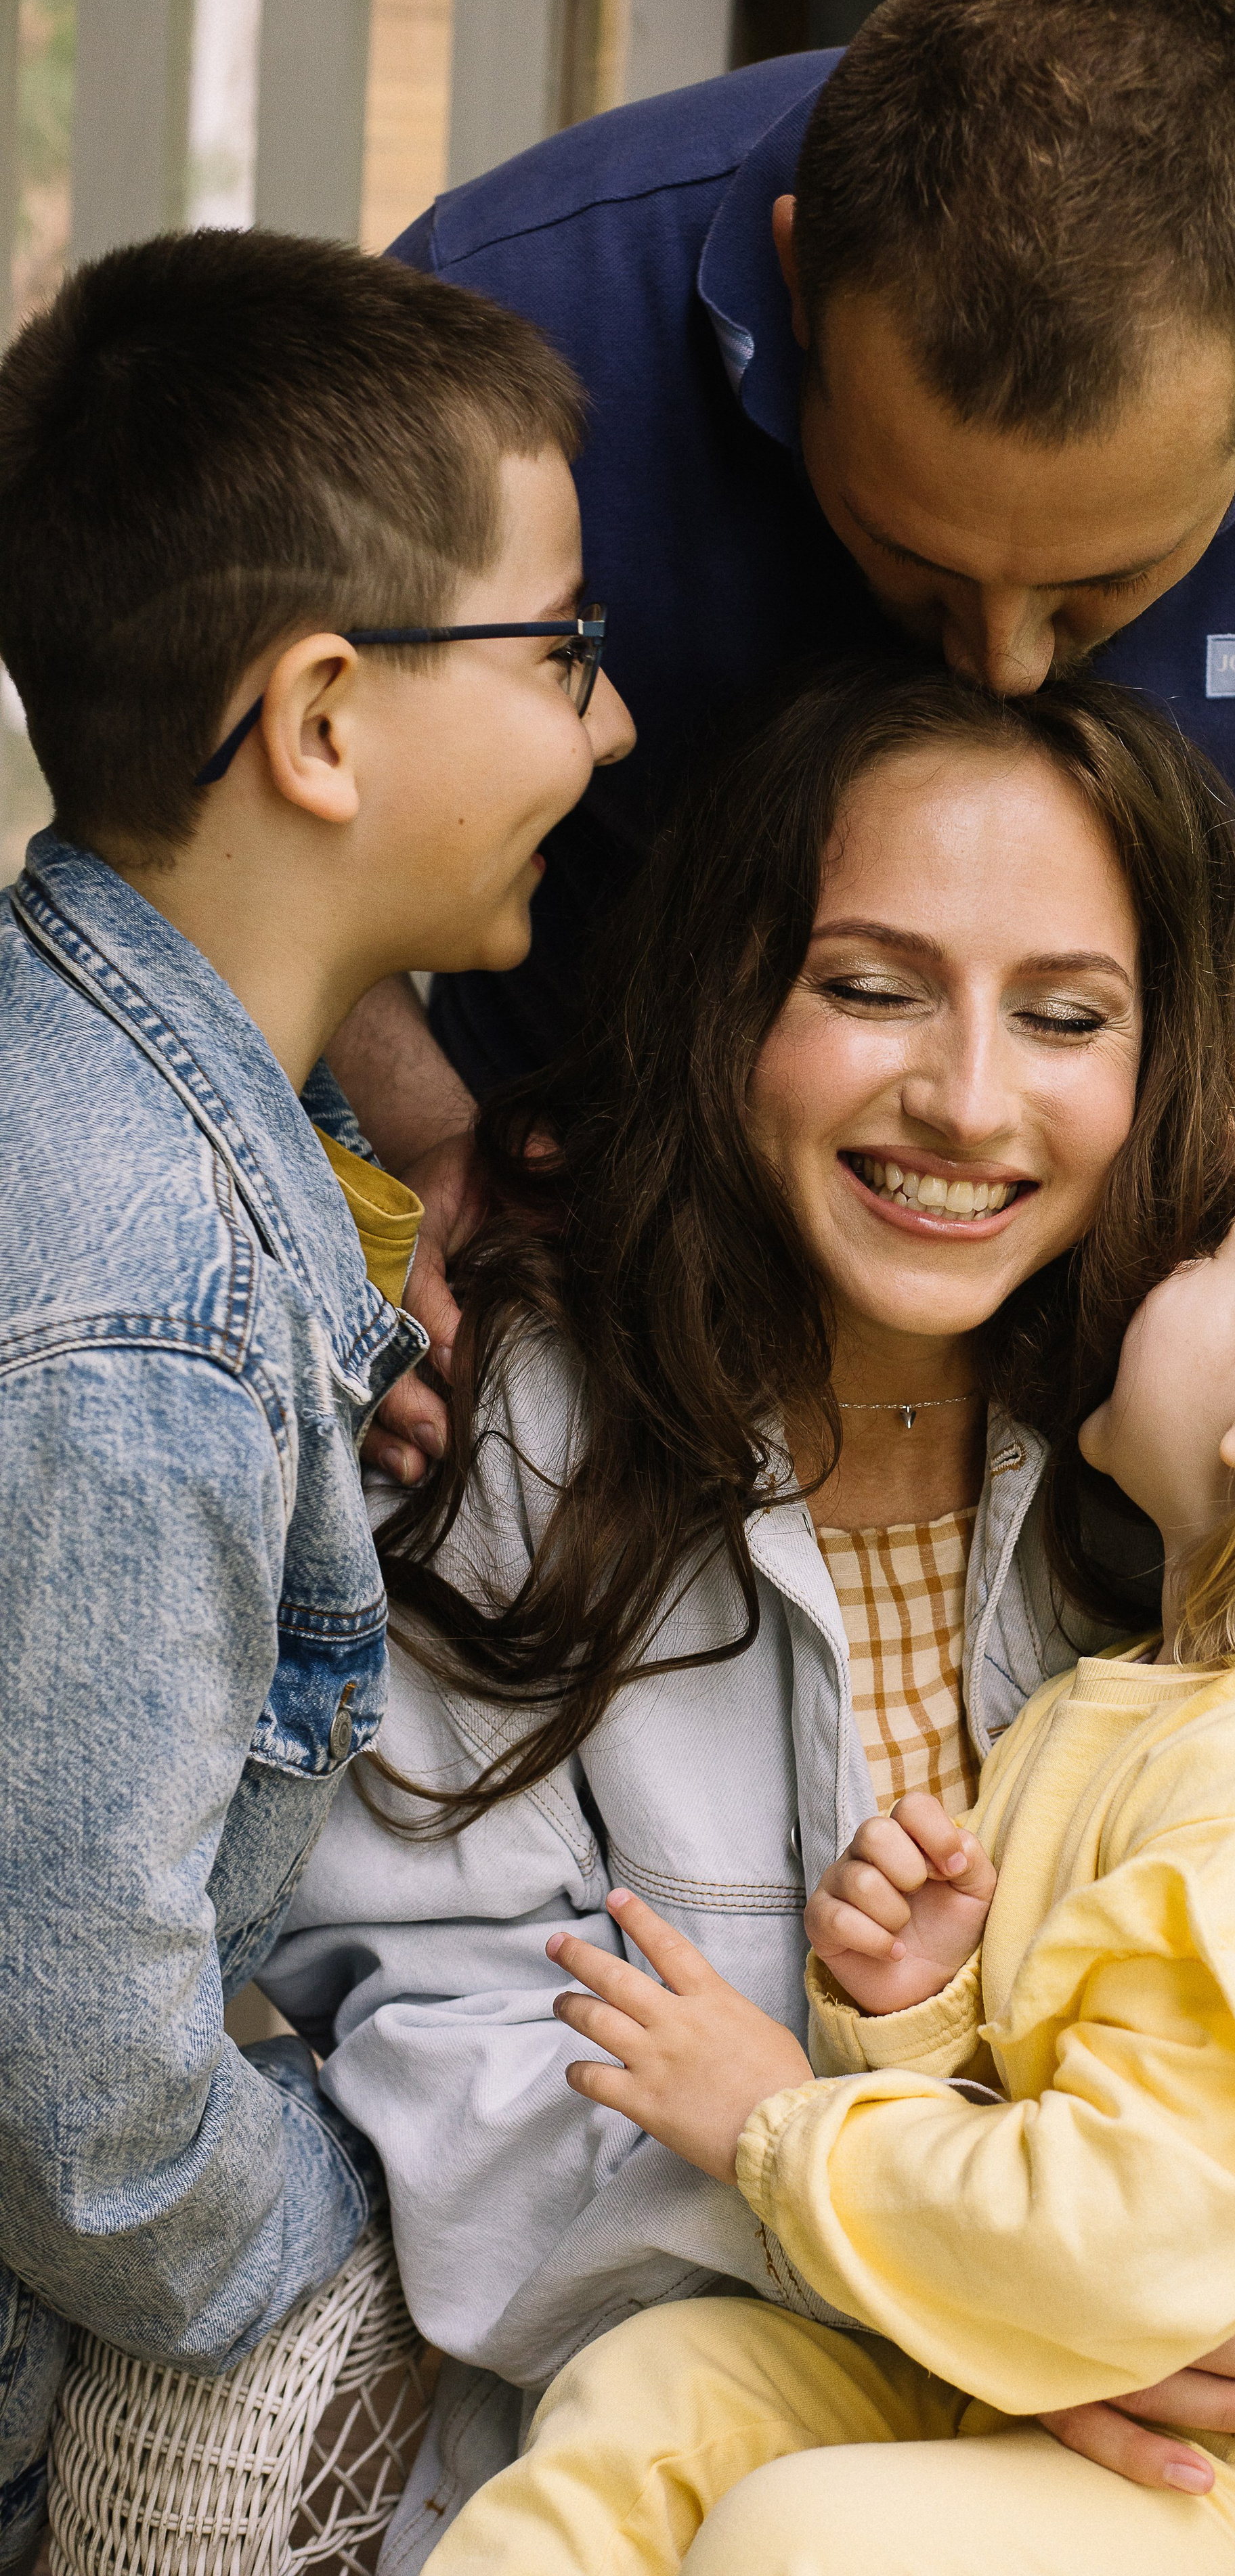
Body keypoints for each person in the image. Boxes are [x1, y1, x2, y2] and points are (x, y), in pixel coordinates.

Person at [263, 666, 1235, 2576]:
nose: (964, 1096)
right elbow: (457, 2050)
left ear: (1162, 1048)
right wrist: (982, 2303)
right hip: (790, 2382)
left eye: (1067, 1016)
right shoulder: (522, 1425)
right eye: (867, 986)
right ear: (731, 1002)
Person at [416, 1062, 1235, 2576]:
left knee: (800, 2539)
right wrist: (927, 2010)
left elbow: (1122, 2248)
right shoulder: (1154, 1701)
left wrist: (777, 2125)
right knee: (657, 2393)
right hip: (1050, 2374)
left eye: (1228, 1258)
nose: (1176, 1263)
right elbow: (1096, 2107)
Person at [337, 0, 1235, 1505]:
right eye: (912, 556)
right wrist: (434, 1148)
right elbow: (235, 820)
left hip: (1107, 1358)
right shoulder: (488, 326)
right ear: (797, 285)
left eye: (1101, 586)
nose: (1002, 665)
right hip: (551, 1296)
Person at [0, 227, 633, 2570]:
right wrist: (358, 2219)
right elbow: (86, 2105)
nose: (614, 726)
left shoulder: (137, 1159)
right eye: (566, 648)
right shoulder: (138, 1313)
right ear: (329, 720)